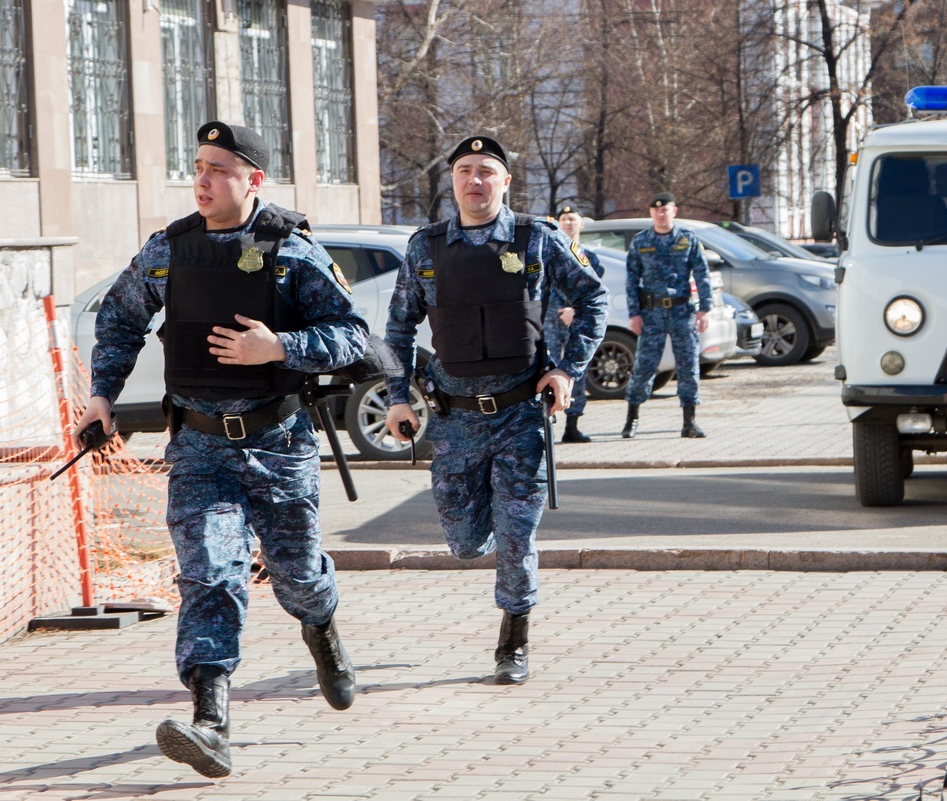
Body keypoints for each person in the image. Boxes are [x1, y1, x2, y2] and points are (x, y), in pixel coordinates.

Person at [71, 121, 367, 778]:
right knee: (209, 572)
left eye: (218, 168)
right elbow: (118, 318)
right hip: (200, 446)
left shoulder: (292, 250)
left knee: (295, 575)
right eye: (197, 166)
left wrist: (280, 347)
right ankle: (211, 720)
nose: (202, 180)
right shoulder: (169, 250)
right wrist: (102, 396)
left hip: (279, 442)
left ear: (253, 179)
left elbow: (352, 336)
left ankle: (323, 630)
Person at [384, 135, 607, 685]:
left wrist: (566, 370)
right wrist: (396, 395)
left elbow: (594, 299)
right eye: (464, 170)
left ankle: (514, 638)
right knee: (463, 542)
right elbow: (396, 328)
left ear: (506, 181)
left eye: (487, 170)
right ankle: (483, 543)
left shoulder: (538, 239)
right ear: (452, 180)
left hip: (519, 415)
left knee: (516, 533)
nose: (475, 180)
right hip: (455, 418)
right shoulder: (425, 248)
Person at [620, 192, 711, 440]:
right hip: (652, 313)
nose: (661, 214)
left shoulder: (687, 238)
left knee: (689, 365)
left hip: (682, 311)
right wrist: (634, 313)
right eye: (656, 210)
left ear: (674, 211)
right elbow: (631, 280)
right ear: (651, 213)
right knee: (644, 366)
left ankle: (689, 422)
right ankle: (632, 419)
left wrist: (705, 309)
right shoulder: (641, 241)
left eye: (665, 209)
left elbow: (702, 274)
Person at [545, 203, 605, 443]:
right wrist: (561, 308)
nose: (568, 223)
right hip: (549, 318)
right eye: (564, 218)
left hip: (575, 320)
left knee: (575, 368)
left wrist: (574, 310)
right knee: (547, 367)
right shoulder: (548, 251)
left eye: (572, 218)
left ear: (582, 223)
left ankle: (573, 424)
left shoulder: (590, 257)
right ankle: (545, 423)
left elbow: (594, 291)